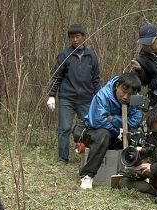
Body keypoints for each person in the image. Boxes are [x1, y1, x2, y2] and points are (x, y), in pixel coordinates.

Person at [47, 23, 101, 164]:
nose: (75, 40)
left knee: (89, 128)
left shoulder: (91, 56)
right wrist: (51, 95)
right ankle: (62, 158)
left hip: (87, 98)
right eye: (72, 37)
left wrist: (99, 97)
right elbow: (57, 76)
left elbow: (95, 79)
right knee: (64, 128)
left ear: (83, 37)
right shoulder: (65, 55)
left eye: (77, 36)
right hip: (67, 98)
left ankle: (88, 157)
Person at [79, 73, 142, 189]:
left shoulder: (136, 99)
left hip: (118, 133)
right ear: (116, 86)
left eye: (130, 94)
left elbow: (135, 121)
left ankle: (132, 174)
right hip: (94, 133)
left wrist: (113, 118)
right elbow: (98, 121)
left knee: (137, 136)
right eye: (123, 91)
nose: (125, 97)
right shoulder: (103, 95)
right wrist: (117, 131)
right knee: (104, 134)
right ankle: (87, 175)